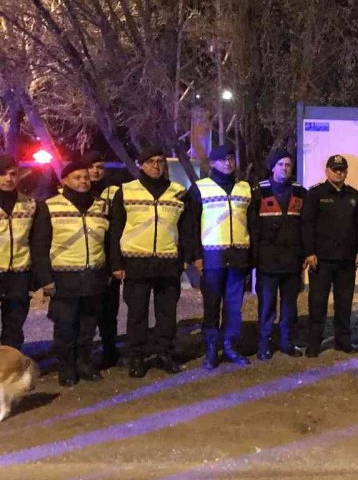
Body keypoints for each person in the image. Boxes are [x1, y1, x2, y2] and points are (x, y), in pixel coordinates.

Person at [109, 145, 188, 378]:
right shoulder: (126, 191)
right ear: (141, 165)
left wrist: (184, 257)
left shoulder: (178, 192)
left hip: (168, 262)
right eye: (151, 161)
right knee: (137, 314)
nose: (156, 166)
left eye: (160, 161)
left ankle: (164, 353)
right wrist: (116, 263)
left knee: (167, 314)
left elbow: (186, 229)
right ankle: (137, 357)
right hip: (136, 262)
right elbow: (116, 229)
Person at [34, 159, 111, 386]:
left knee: (88, 325)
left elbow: (108, 242)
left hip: (93, 275)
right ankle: (66, 367)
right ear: (65, 181)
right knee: (65, 325)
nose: (83, 181)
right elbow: (40, 245)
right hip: (63, 277)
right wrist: (46, 279)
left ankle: (84, 363)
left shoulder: (101, 206)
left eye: (86, 177)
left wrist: (107, 270)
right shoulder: (50, 206)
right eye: (77, 178)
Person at [185, 143, 252, 368]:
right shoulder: (200, 188)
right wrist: (196, 256)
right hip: (211, 258)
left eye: (231, 158)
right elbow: (191, 226)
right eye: (223, 159)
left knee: (234, 306)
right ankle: (212, 348)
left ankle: (230, 346)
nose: (228, 163)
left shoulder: (245, 188)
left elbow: (253, 223)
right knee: (212, 305)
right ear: (212, 163)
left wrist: (251, 255)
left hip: (238, 256)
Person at [302, 153, 358, 355]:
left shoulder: (354, 196)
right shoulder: (315, 194)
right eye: (335, 169)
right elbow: (307, 225)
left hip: (346, 260)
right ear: (327, 171)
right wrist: (309, 252)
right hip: (321, 260)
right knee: (317, 303)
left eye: (342, 170)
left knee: (344, 303)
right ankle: (314, 343)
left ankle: (342, 341)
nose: (339, 173)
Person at [248, 149, 306, 361]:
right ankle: (264, 344)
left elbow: (305, 226)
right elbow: (253, 227)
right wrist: (254, 258)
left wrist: (304, 255)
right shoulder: (258, 191)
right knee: (266, 306)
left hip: (292, 261)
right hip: (267, 261)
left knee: (290, 306)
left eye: (288, 165)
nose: (284, 168)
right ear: (272, 167)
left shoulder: (300, 192)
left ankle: (287, 342)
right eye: (280, 164)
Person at [82, 151, 122, 368]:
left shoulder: (114, 193)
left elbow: (117, 229)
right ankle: (83, 355)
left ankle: (110, 350)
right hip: (81, 261)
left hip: (108, 260)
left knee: (109, 309)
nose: (95, 171)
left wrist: (116, 263)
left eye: (99, 167)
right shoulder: (73, 193)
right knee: (86, 312)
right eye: (91, 167)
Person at [0, 154, 39, 352]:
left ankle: (9, 363)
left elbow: (37, 241)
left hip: (19, 275)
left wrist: (36, 277)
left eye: (13, 174)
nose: (8, 178)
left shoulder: (31, 205)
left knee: (14, 327)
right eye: (2, 174)